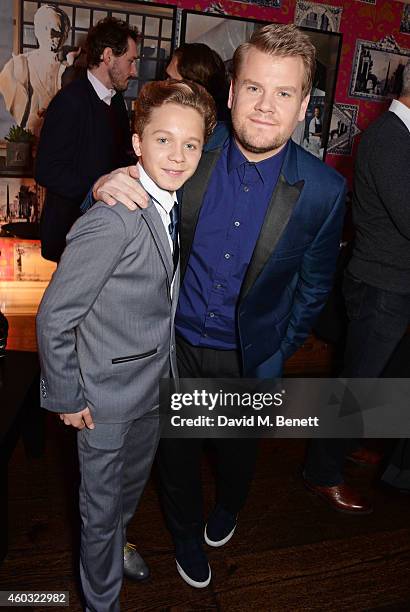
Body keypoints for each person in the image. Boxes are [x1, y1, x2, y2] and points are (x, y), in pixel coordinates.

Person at [91, 23, 346, 588]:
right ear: (230, 92)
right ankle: (184, 535)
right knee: (176, 461)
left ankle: (228, 509)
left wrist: (277, 349)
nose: (264, 106)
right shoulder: (187, 155)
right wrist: (104, 187)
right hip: (174, 346)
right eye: (253, 88)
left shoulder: (324, 192)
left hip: (249, 361)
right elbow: (129, 194)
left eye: (284, 93)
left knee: (236, 459)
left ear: (304, 105)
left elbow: (314, 285)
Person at [36, 79, 216, 612]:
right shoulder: (114, 218)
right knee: (98, 509)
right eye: (163, 140)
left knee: (126, 496)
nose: (178, 155)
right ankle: (101, 601)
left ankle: (114, 547)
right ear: (136, 143)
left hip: (151, 389)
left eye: (191, 144)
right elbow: (54, 316)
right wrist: (67, 396)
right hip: (103, 403)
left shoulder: (167, 202)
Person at [304, 62, 410, 512]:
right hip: (382, 285)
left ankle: (354, 442)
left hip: (396, 282)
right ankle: (321, 471)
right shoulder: (388, 137)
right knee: (357, 383)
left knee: (387, 378)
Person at [35, 16, 138, 263]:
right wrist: (96, 187)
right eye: (130, 61)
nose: (134, 71)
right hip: (70, 236)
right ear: (108, 56)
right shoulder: (69, 102)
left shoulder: (116, 102)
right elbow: (46, 171)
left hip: (101, 231)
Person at [0, 4, 74, 136]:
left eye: (56, 30)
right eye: (45, 28)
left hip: (60, 137)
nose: (50, 35)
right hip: (29, 136)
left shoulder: (68, 70)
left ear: (63, 36)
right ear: (37, 30)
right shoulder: (18, 65)